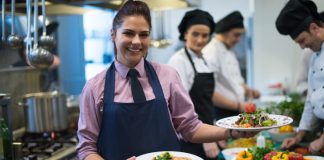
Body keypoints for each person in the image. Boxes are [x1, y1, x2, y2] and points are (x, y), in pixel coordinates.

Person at [76, 1, 257, 160]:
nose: (137, 41)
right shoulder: (94, 87)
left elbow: (190, 127)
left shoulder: (168, 76)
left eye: (144, 34)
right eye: (129, 33)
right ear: (113, 34)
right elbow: (86, 148)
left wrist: (231, 132)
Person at [168, 9, 219, 159]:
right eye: (195, 34)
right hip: (190, 137)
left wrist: (213, 130)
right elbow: (179, 106)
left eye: (205, 35)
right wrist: (205, 139)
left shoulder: (204, 60)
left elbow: (205, 101)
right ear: (185, 34)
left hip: (206, 130)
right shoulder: (178, 61)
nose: (200, 40)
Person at [275, 0, 324, 153]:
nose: (302, 47)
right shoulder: (315, 55)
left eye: (302, 41)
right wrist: (299, 136)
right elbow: (312, 98)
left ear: (314, 28)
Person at [202, 11, 260, 122]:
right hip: (221, 112)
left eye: (240, 35)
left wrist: (248, 90)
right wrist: (239, 106)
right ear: (224, 32)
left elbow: (235, 81)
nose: (238, 39)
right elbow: (209, 92)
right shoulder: (211, 52)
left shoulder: (229, 51)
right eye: (236, 35)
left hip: (235, 109)